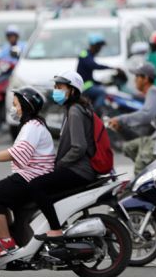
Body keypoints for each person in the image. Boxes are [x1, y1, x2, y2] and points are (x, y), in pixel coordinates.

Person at [0, 86, 55, 255]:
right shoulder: (32, 125)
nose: (13, 108)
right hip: (30, 175)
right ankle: (9, 236)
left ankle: (6, 242)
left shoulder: (32, 126)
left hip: (31, 177)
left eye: (16, 104)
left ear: (25, 106)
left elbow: (18, 152)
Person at [30, 70, 96, 240]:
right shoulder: (74, 109)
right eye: (55, 86)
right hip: (78, 168)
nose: (56, 90)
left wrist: (59, 165)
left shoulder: (74, 111)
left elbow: (78, 147)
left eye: (59, 87)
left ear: (72, 90)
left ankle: (56, 229)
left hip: (79, 170)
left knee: (36, 186)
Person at [108, 63, 156, 174]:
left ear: (146, 79)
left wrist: (120, 119)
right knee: (129, 148)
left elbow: (146, 115)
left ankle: (143, 183)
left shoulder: (154, 91)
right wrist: (121, 127)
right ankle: (149, 171)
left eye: (137, 77)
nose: (134, 80)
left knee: (141, 163)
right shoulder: (151, 93)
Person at [77, 33, 113, 111]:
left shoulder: (90, 55)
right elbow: (93, 65)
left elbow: (89, 77)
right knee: (102, 92)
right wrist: (111, 68)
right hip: (84, 87)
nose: (99, 49)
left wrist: (101, 83)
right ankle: (96, 113)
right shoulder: (84, 54)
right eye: (99, 46)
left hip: (88, 84)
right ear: (94, 45)